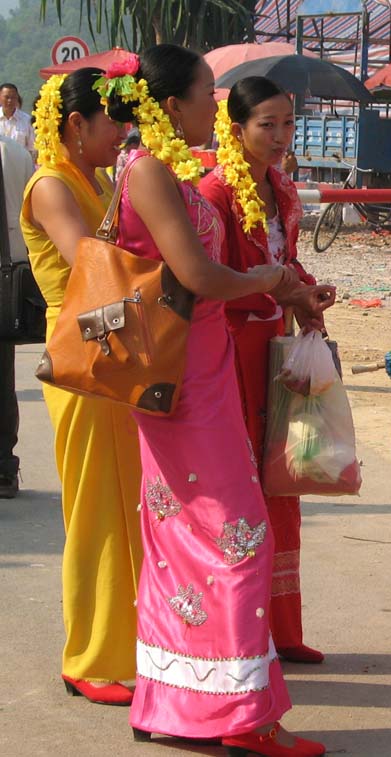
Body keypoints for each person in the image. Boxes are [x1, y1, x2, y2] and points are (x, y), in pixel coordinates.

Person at [102, 45, 331, 755]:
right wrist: (267, 276)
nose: (216, 105)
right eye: (209, 93)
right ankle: (240, 713)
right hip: (184, 376)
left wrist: (273, 279)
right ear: (172, 105)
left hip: (200, 368)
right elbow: (197, 273)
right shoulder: (148, 170)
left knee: (182, 536)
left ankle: (174, 698)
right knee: (238, 534)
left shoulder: (163, 168)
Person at [20, 68, 142, 701]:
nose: (123, 133)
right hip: (78, 353)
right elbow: (88, 261)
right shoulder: (50, 185)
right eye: (113, 121)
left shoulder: (93, 178)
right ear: (76, 125)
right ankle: (87, 658)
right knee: (95, 506)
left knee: (128, 504)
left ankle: (132, 645)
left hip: (111, 347)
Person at [200, 76, 330, 665]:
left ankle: (281, 629)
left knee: (281, 477)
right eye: (266, 125)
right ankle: (239, 635)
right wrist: (283, 293)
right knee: (241, 489)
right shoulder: (215, 191)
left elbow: (285, 262)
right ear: (236, 128)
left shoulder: (280, 187)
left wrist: (303, 292)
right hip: (232, 352)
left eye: (287, 124)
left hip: (275, 346)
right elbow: (212, 283)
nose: (280, 137)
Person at [0, 133, 33, 498]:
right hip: (10, 271)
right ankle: (5, 466)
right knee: (3, 379)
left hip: (6, 272)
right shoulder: (16, 152)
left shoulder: (14, 152)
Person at [0, 83, 36, 158]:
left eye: (13, 97)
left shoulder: (26, 120)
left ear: (17, 98)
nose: (10, 100)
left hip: (19, 165)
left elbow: (32, 148)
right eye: (6, 97)